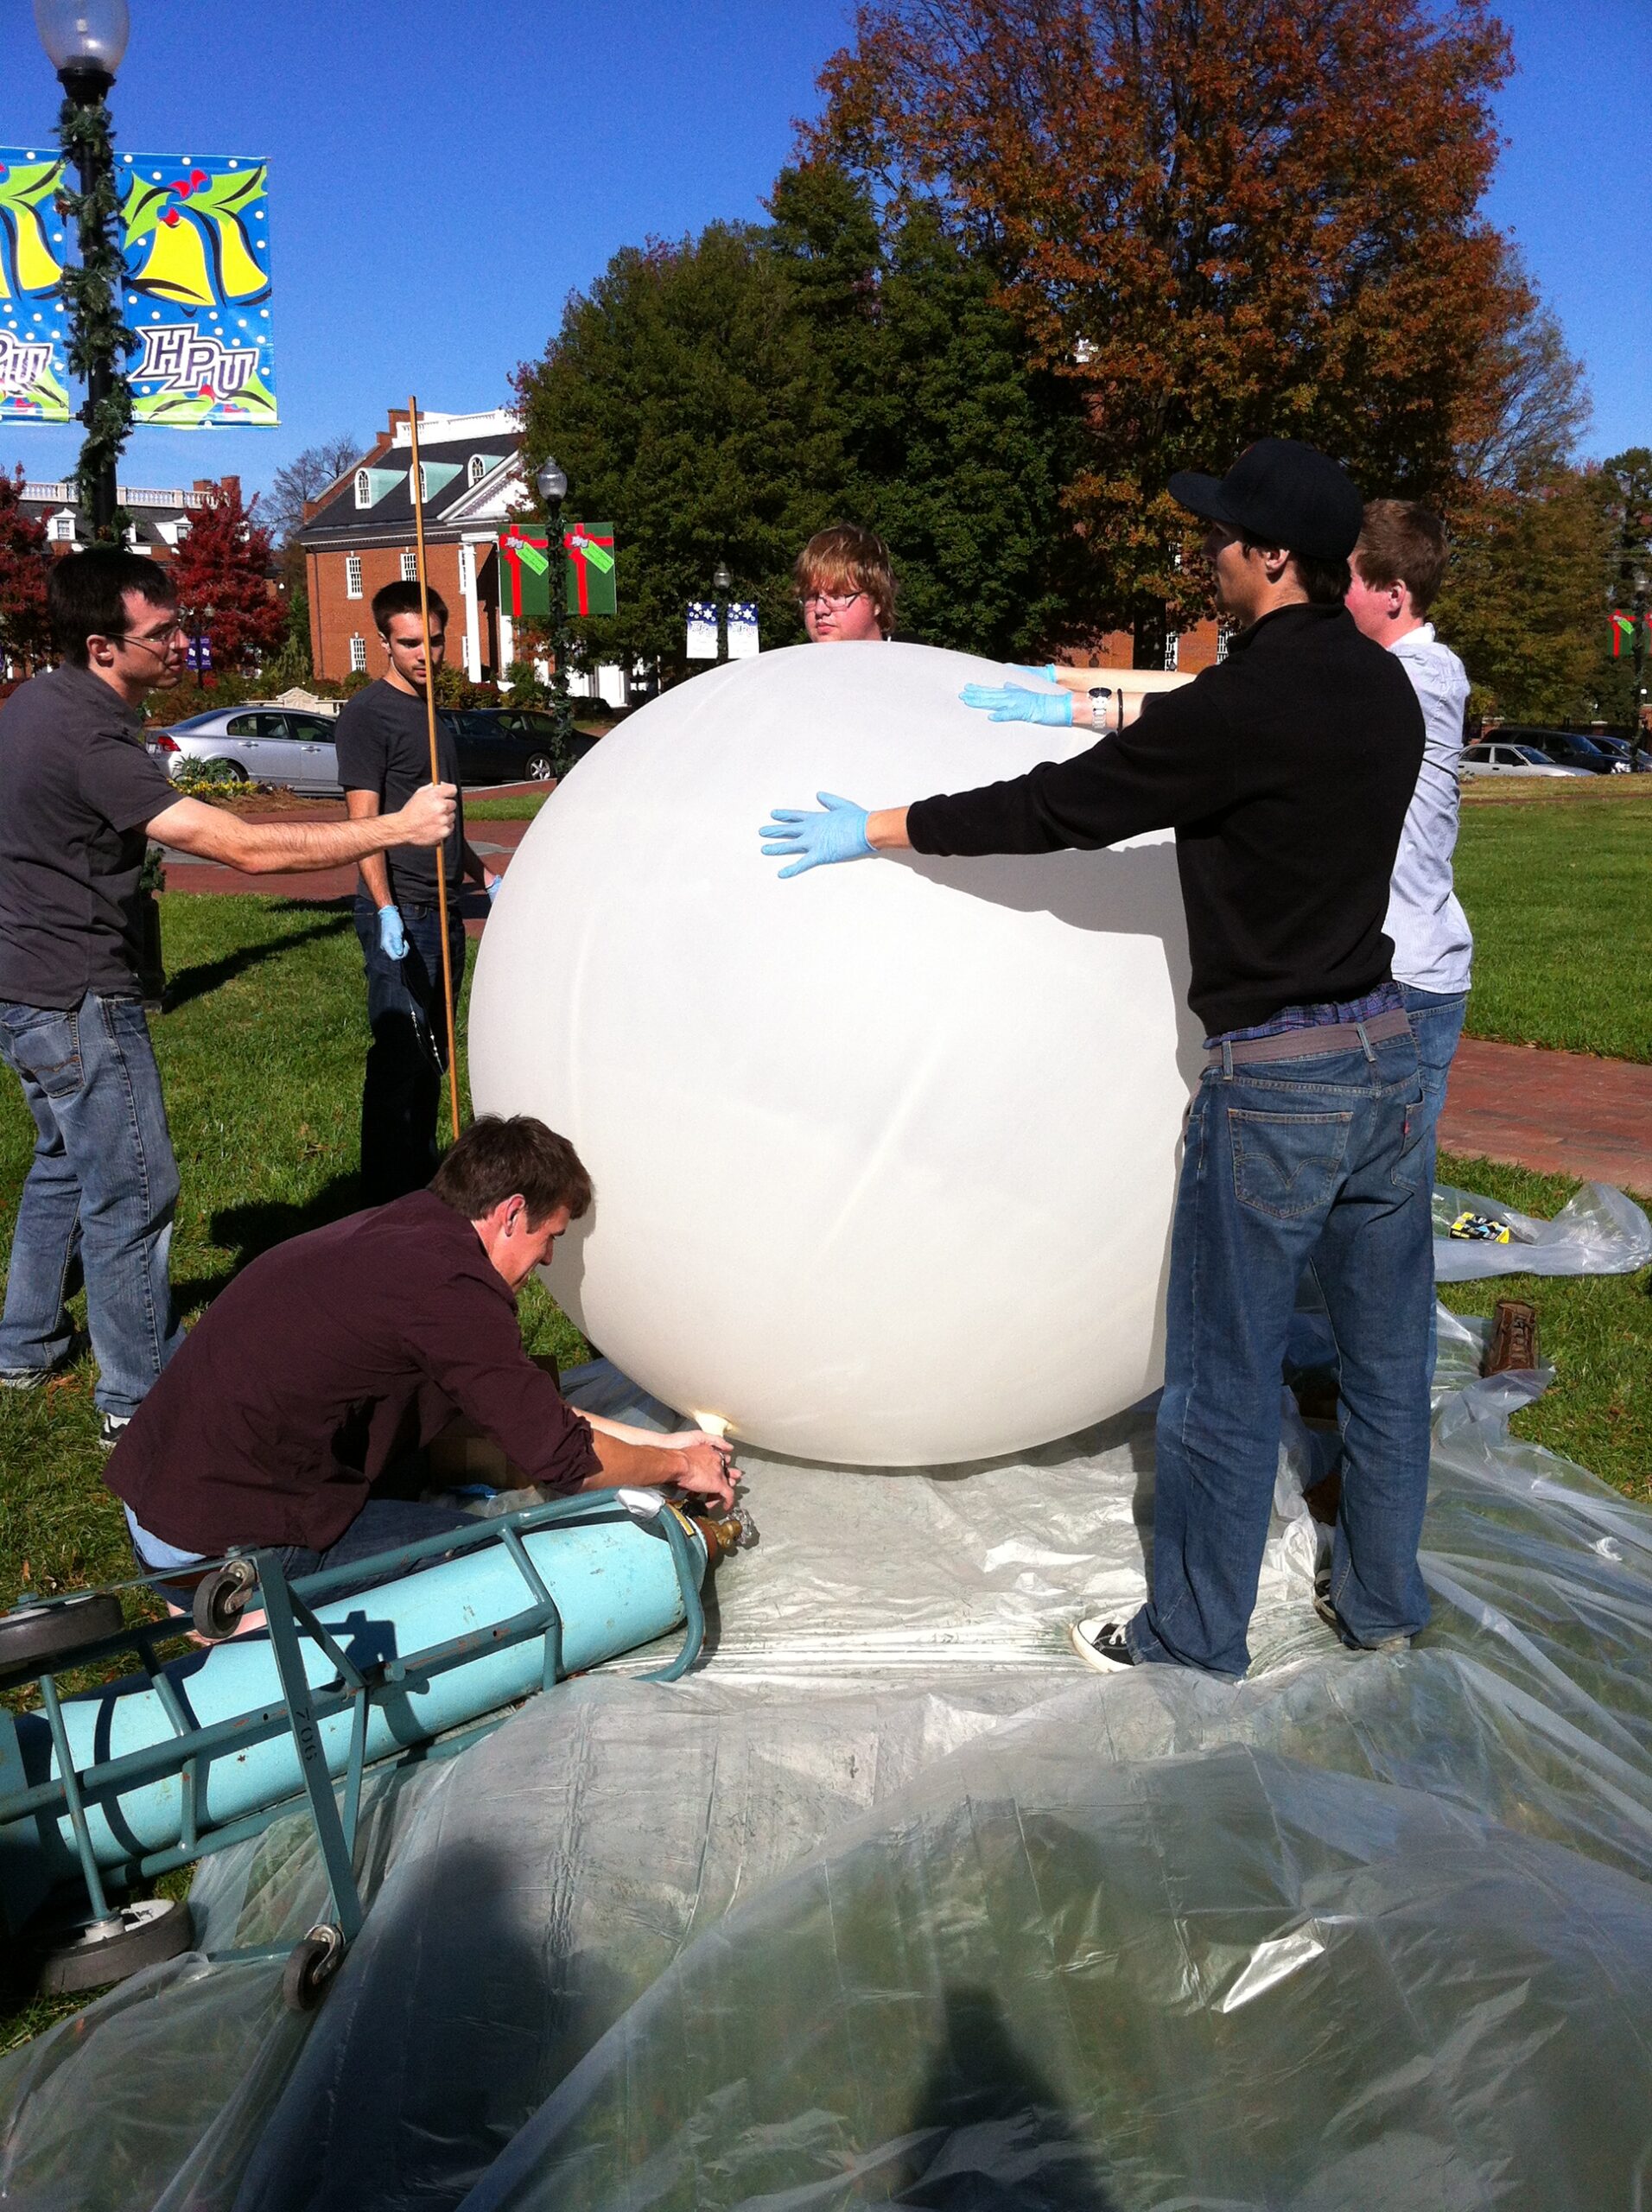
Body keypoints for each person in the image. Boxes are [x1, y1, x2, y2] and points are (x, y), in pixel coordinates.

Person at [760, 439, 1433, 1678]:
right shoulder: (1382, 691)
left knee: (1224, 1384)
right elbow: (1193, 742)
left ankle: (1190, 1636)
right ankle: (1386, 1602)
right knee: (1389, 1365)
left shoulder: (1242, 704)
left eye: (1223, 542)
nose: (1208, 559)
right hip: (1386, 1052)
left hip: (1277, 1076)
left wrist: (882, 826)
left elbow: (1058, 810)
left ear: (1274, 558)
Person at [0, 551, 456, 1445]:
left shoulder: (35, 706)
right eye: (160, 633)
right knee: (134, 1192)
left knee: (62, 1164)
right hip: (77, 996)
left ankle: (23, 1344)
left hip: (23, 987)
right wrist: (400, 827)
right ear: (101, 645)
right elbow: (238, 847)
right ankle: (139, 1397)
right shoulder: (88, 738)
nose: (180, 643)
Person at [105, 1114, 737, 1580]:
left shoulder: (410, 1227)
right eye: (550, 1235)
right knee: (505, 1562)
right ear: (512, 1213)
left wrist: (663, 1442)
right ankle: (243, 1621)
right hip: (217, 1545)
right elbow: (569, 1463)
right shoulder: (453, 1291)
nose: (548, 1256)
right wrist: (681, 1469)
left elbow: (523, 1415)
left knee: (438, 1456)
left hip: (164, 1498)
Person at [334, 581, 499, 1205]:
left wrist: (483, 876)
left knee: (436, 1056)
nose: (424, 655)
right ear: (383, 642)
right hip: (401, 909)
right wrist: (384, 912)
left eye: (434, 640)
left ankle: (423, 1179)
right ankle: (382, 1196)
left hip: (446, 909)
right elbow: (363, 823)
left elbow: (445, 825)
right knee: (401, 1058)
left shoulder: (433, 714)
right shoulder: (368, 716)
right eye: (409, 644)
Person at [1343, 499, 1471, 1196]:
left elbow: (1257, 707)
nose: (1335, 596)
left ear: (1394, 596)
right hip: (1406, 969)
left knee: (1384, 1207)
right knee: (1371, 1203)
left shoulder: (1416, 676)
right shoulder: (1399, 671)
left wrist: (1089, 705)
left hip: (1410, 978)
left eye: (1348, 581)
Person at [794, 524, 896, 643]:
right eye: (813, 597)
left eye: (836, 596)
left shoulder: (911, 658)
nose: (819, 610)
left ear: (878, 601)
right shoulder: (789, 660)